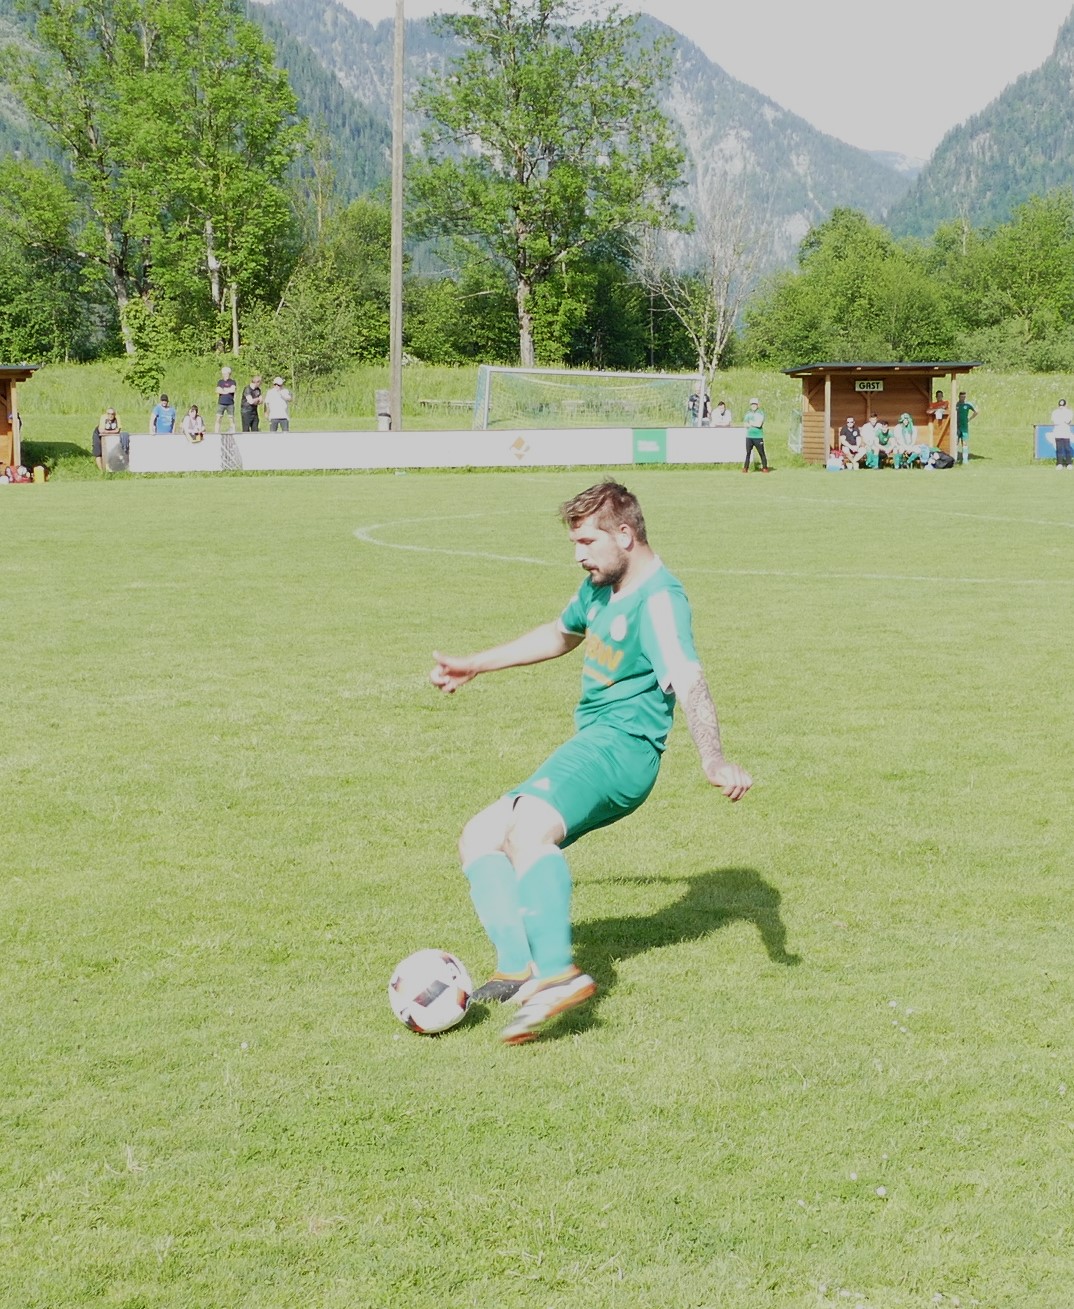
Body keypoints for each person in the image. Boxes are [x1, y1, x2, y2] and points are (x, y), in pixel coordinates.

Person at [430, 481, 753, 1044]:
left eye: (586, 542)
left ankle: (558, 976)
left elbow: (690, 678)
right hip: (594, 742)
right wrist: (477, 664)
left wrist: (714, 759)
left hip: (623, 749)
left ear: (624, 535)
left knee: (529, 830)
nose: (579, 555)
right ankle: (518, 968)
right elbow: (560, 634)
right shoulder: (601, 587)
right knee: (479, 836)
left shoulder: (659, 600)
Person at [742, 398, 770, 472]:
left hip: (758, 436)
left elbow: (759, 424)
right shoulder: (748, 413)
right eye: (752, 404)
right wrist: (753, 423)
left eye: (755, 404)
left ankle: (765, 467)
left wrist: (751, 423)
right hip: (749, 436)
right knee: (748, 453)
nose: (753, 406)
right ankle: (745, 468)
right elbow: (745, 424)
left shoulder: (760, 413)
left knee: (761, 453)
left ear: (757, 405)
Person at [92, 406, 121, 472]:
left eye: (112, 414)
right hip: (98, 434)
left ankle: (112, 468)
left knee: (112, 450)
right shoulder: (103, 418)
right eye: (109, 414)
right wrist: (112, 432)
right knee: (98, 452)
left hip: (110, 435)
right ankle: (102, 471)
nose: (110, 415)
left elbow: (118, 430)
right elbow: (101, 431)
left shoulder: (117, 418)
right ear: (106, 414)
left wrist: (107, 432)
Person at [1050, 398, 1073, 470]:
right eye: (1060, 405)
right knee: (1059, 449)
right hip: (1058, 433)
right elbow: (1055, 421)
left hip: (1066, 433)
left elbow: (1067, 420)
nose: (1061, 407)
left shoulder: (1069, 412)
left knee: (1067, 448)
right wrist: (1061, 418)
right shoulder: (1055, 412)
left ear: (1065, 405)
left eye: (1063, 405)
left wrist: (1062, 417)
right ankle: (1059, 463)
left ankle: (1069, 463)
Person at [955, 392, 977, 465]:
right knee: (956, 442)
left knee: (964, 443)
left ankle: (965, 459)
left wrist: (969, 419)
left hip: (964, 427)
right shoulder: (956, 404)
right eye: (961, 397)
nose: (963, 398)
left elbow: (976, 411)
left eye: (964, 397)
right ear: (959, 397)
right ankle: (955, 458)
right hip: (957, 426)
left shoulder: (967, 404)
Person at [214, 365, 237, 435]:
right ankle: (216, 432)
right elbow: (218, 390)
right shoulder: (220, 382)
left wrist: (223, 390)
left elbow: (233, 390)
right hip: (221, 403)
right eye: (224, 374)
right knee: (218, 418)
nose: (225, 375)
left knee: (231, 418)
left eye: (227, 373)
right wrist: (227, 390)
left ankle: (233, 431)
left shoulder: (232, 382)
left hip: (230, 403)